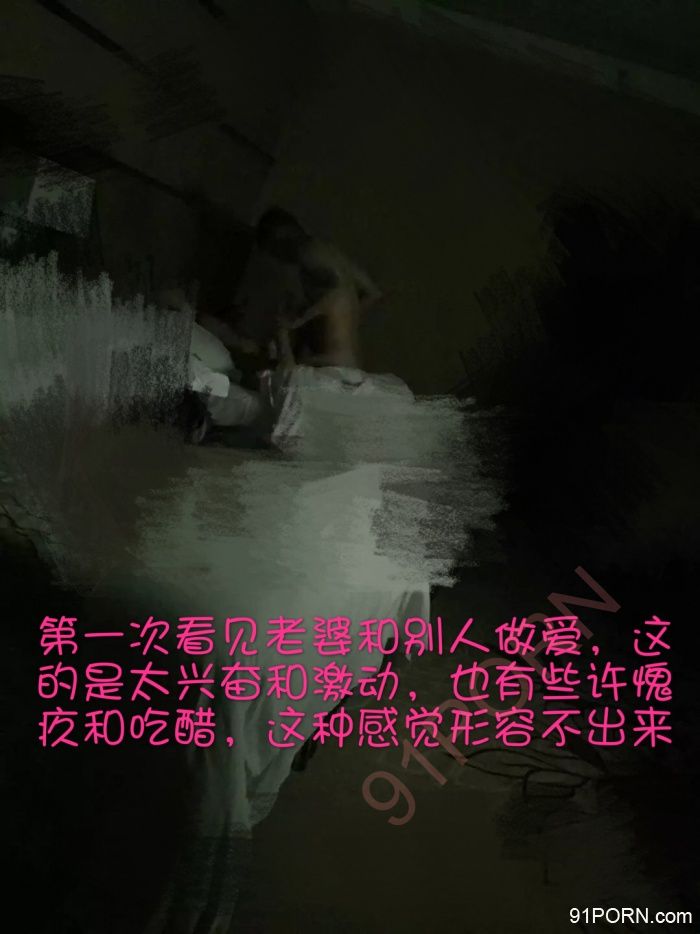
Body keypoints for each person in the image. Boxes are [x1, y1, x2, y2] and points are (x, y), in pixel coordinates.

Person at [254, 207, 384, 368]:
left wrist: (299, 319)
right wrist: (347, 319)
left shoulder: (307, 256)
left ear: (279, 240)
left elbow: (333, 293)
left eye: (274, 252)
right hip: (347, 357)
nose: (279, 259)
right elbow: (373, 293)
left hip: (329, 360)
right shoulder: (328, 251)